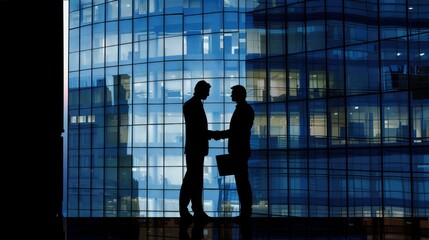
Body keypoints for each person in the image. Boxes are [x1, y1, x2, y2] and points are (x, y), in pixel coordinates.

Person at [214, 85, 255, 224]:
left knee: (242, 182)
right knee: (242, 182)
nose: (231, 95)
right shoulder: (243, 109)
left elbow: (236, 132)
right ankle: (245, 212)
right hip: (239, 152)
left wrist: (218, 135)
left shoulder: (244, 110)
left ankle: (246, 213)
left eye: (233, 93)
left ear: (239, 94)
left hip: (239, 152)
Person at [179, 80, 215, 223]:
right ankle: (192, 210)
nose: (208, 94)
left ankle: (194, 209)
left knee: (192, 180)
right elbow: (197, 129)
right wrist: (211, 134)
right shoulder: (192, 105)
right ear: (200, 90)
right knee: (193, 181)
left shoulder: (193, 104)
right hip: (195, 149)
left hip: (195, 149)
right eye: (207, 91)